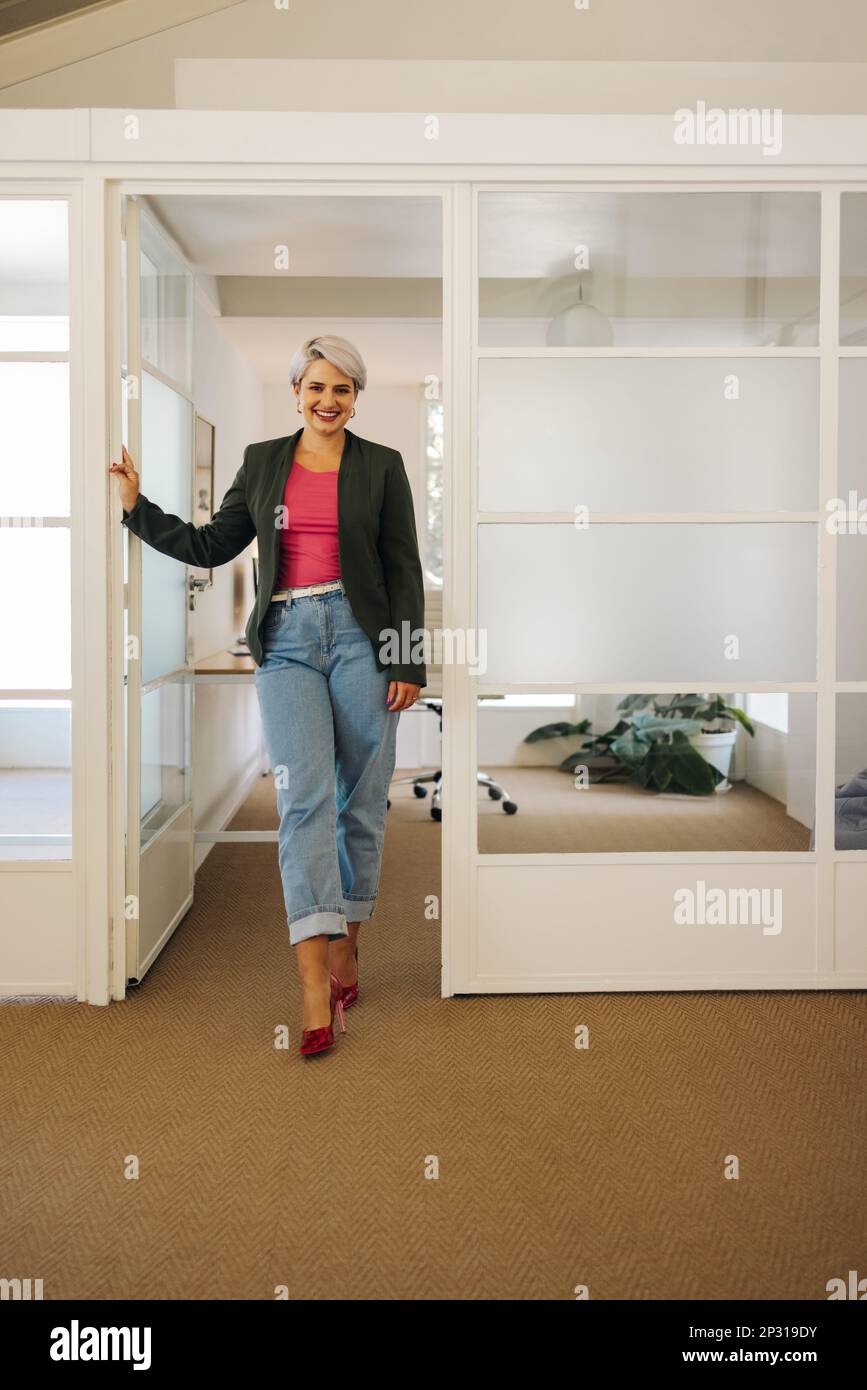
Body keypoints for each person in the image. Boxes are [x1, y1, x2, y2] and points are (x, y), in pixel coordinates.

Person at [111, 335, 427, 1058]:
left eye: (342, 390)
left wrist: (408, 658)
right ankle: (312, 983)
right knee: (303, 801)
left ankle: (347, 943)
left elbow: (402, 565)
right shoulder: (262, 462)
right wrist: (137, 507)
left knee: (362, 800)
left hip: (361, 639)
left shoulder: (382, 466)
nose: (327, 401)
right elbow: (213, 544)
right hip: (285, 639)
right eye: (315, 387)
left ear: (356, 398)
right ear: (295, 392)